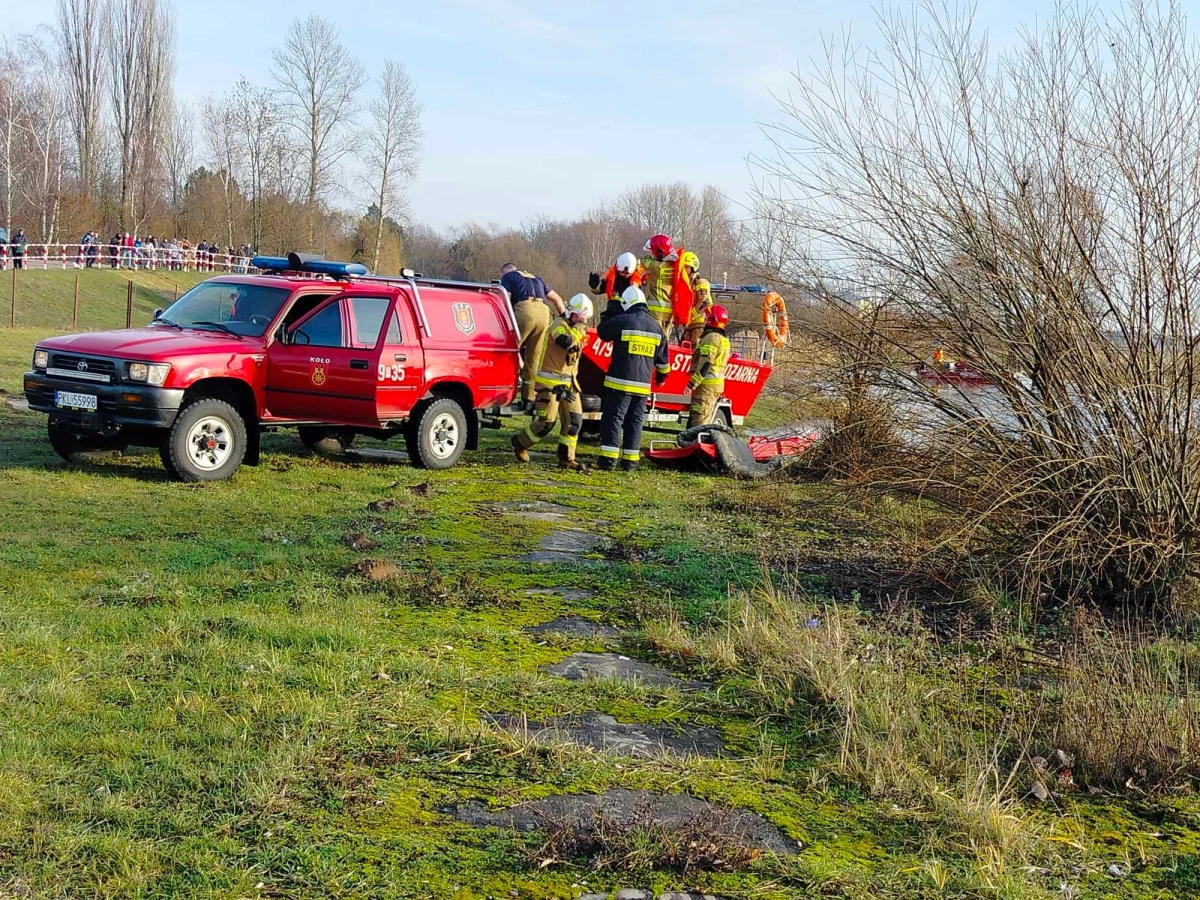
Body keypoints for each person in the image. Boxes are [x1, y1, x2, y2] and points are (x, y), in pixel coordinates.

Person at [511, 292, 594, 470]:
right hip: (550, 384)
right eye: (582, 318)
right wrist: (577, 334)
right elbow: (563, 340)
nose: (584, 323)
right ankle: (520, 442)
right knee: (546, 423)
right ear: (575, 313)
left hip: (570, 384)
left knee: (575, 421)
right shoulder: (559, 324)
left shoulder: (579, 329)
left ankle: (566, 457)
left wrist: (579, 331)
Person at [596, 285, 670, 472]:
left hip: (619, 383)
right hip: (643, 387)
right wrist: (661, 376)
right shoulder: (657, 328)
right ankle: (630, 463)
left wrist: (609, 312)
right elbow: (663, 363)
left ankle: (608, 461)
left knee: (613, 419)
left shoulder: (622, 321)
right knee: (635, 423)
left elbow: (602, 332)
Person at [500, 263, 566, 405]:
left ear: (504, 273)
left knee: (507, 351)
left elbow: (504, 301)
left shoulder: (508, 277)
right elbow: (558, 300)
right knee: (533, 357)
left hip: (525, 312)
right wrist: (565, 322)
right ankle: (529, 397)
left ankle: (501, 391)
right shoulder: (537, 279)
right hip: (544, 313)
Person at [687, 305, 732, 428]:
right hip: (715, 385)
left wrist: (691, 384)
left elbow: (705, 364)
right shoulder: (723, 339)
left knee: (699, 419)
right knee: (705, 417)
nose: (704, 320)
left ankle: (696, 445)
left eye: (706, 317)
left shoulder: (711, 338)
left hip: (706, 387)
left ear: (712, 320)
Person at [589, 251, 642, 322]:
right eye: (622, 272)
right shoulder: (612, 278)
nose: (625, 275)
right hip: (612, 316)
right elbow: (598, 290)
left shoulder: (638, 283)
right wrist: (594, 283)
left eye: (627, 273)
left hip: (629, 318)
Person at [683, 277, 714, 347]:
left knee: (696, 346)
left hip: (699, 323)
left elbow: (703, 302)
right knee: (686, 346)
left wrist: (690, 316)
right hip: (691, 324)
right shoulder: (690, 284)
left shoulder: (700, 283)